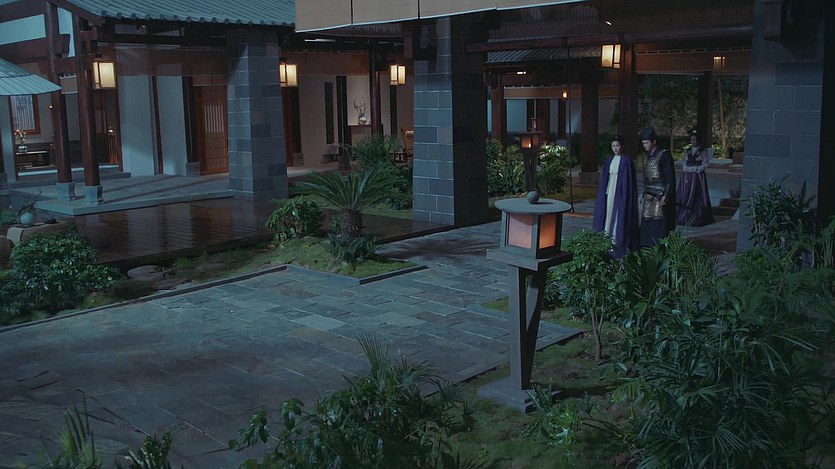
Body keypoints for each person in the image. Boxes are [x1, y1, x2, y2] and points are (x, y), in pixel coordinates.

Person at [593, 134, 638, 258]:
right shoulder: (609, 160)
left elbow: (629, 182)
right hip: (610, 190)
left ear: (622, 146)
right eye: (613, 146)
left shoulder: (627, 161)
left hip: (621, 192)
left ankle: (617, 240)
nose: (615, 148)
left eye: (617, 146)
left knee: (619, 214)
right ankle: (607, 238)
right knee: (608, 212)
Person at [639, 127, 676, 247]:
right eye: (643, 143)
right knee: (647, 219)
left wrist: (666, 195)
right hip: (649, 194)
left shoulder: (663, 155)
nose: (644, 145)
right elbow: (646, 178)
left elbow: (669, 178)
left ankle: (659, 246)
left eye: (647, 143)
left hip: (660, 194)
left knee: (659, 220)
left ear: (654, 142)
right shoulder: (646, 157)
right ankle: (646, 245)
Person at [676, 132, 715, 226]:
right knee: (685, 193)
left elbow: (705, 164)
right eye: (691, 140)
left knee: (696, 194)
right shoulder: (688, 151)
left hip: (697, 176)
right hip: (687, 176)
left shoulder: (703, 151)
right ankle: (683, 216)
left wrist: (696, 169)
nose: (693, 141)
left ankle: (696, 217)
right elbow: (684, 162)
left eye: (695, 140)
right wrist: (686, 168)